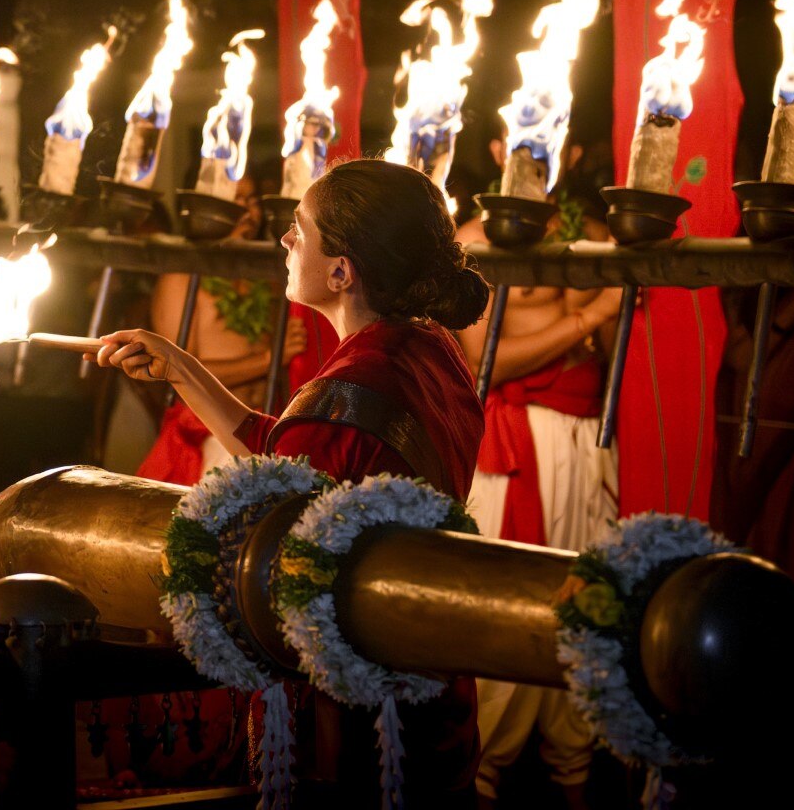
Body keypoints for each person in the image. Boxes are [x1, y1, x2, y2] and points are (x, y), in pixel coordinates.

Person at [97, 158, 488, 806]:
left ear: (342, 270)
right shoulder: (429, 347)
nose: (284, 240)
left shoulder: (353, 388)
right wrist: (181, 368)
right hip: (433, 666)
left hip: (360, 724)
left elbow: (278, 557)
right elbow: (293, 446)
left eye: (299, 230)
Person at [453, 141, 621, 807]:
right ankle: (482, 777)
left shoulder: (596, 235)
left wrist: (606, 324)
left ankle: (575, 775)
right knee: (507, 608)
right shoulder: (474, 240)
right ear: (497, 147)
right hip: (516, 446)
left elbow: (616, 350)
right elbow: (480, 357)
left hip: (585, 438)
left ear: (576, 149)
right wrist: (590, 315)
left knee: (585, 606)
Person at [136, 172, 306, 484]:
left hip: (266, 428)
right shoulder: (182, 279)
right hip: (205, 432)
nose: (248, 211)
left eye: (252, 200)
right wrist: (269, 360)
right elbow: (173, 368)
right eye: (236, 200)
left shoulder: (267, 277)